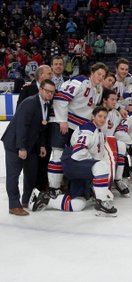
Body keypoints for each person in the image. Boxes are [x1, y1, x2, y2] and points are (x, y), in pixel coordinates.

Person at [29, 107, 118, 216]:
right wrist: (92, 169)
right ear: (93, 116)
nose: (102, 119)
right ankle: (102, 202)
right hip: (73, 161)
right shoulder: (88, 129)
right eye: (100, 116)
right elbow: (79, 152)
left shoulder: (99, 131)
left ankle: (44, 199)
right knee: (101, 166)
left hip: (80, 167)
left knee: (77, 205)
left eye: (105, 117)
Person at [48, 62, 108, 197]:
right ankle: (53, 188)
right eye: (99, 74)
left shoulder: (98, 89)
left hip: (77, 128)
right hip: (63, 123)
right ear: (92, 73)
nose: (100, 77)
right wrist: (62, 120)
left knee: (74, 157)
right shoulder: (80, 81)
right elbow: (61, 98)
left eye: (103, 76)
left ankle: (68, 187)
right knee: (58, 155)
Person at [1, 79, 55, 216]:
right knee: (14, 174)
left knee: (31, 172)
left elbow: (42, 127)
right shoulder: (30, 103)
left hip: (31, 144)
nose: (50, 94)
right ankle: (14, 205)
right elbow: (21, 126)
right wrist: (21, 148)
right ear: (40, 90)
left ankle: (26, 200)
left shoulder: (46, 105)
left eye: (52, 92)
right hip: (15, 143)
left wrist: (42, 145)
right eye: (47, 91)